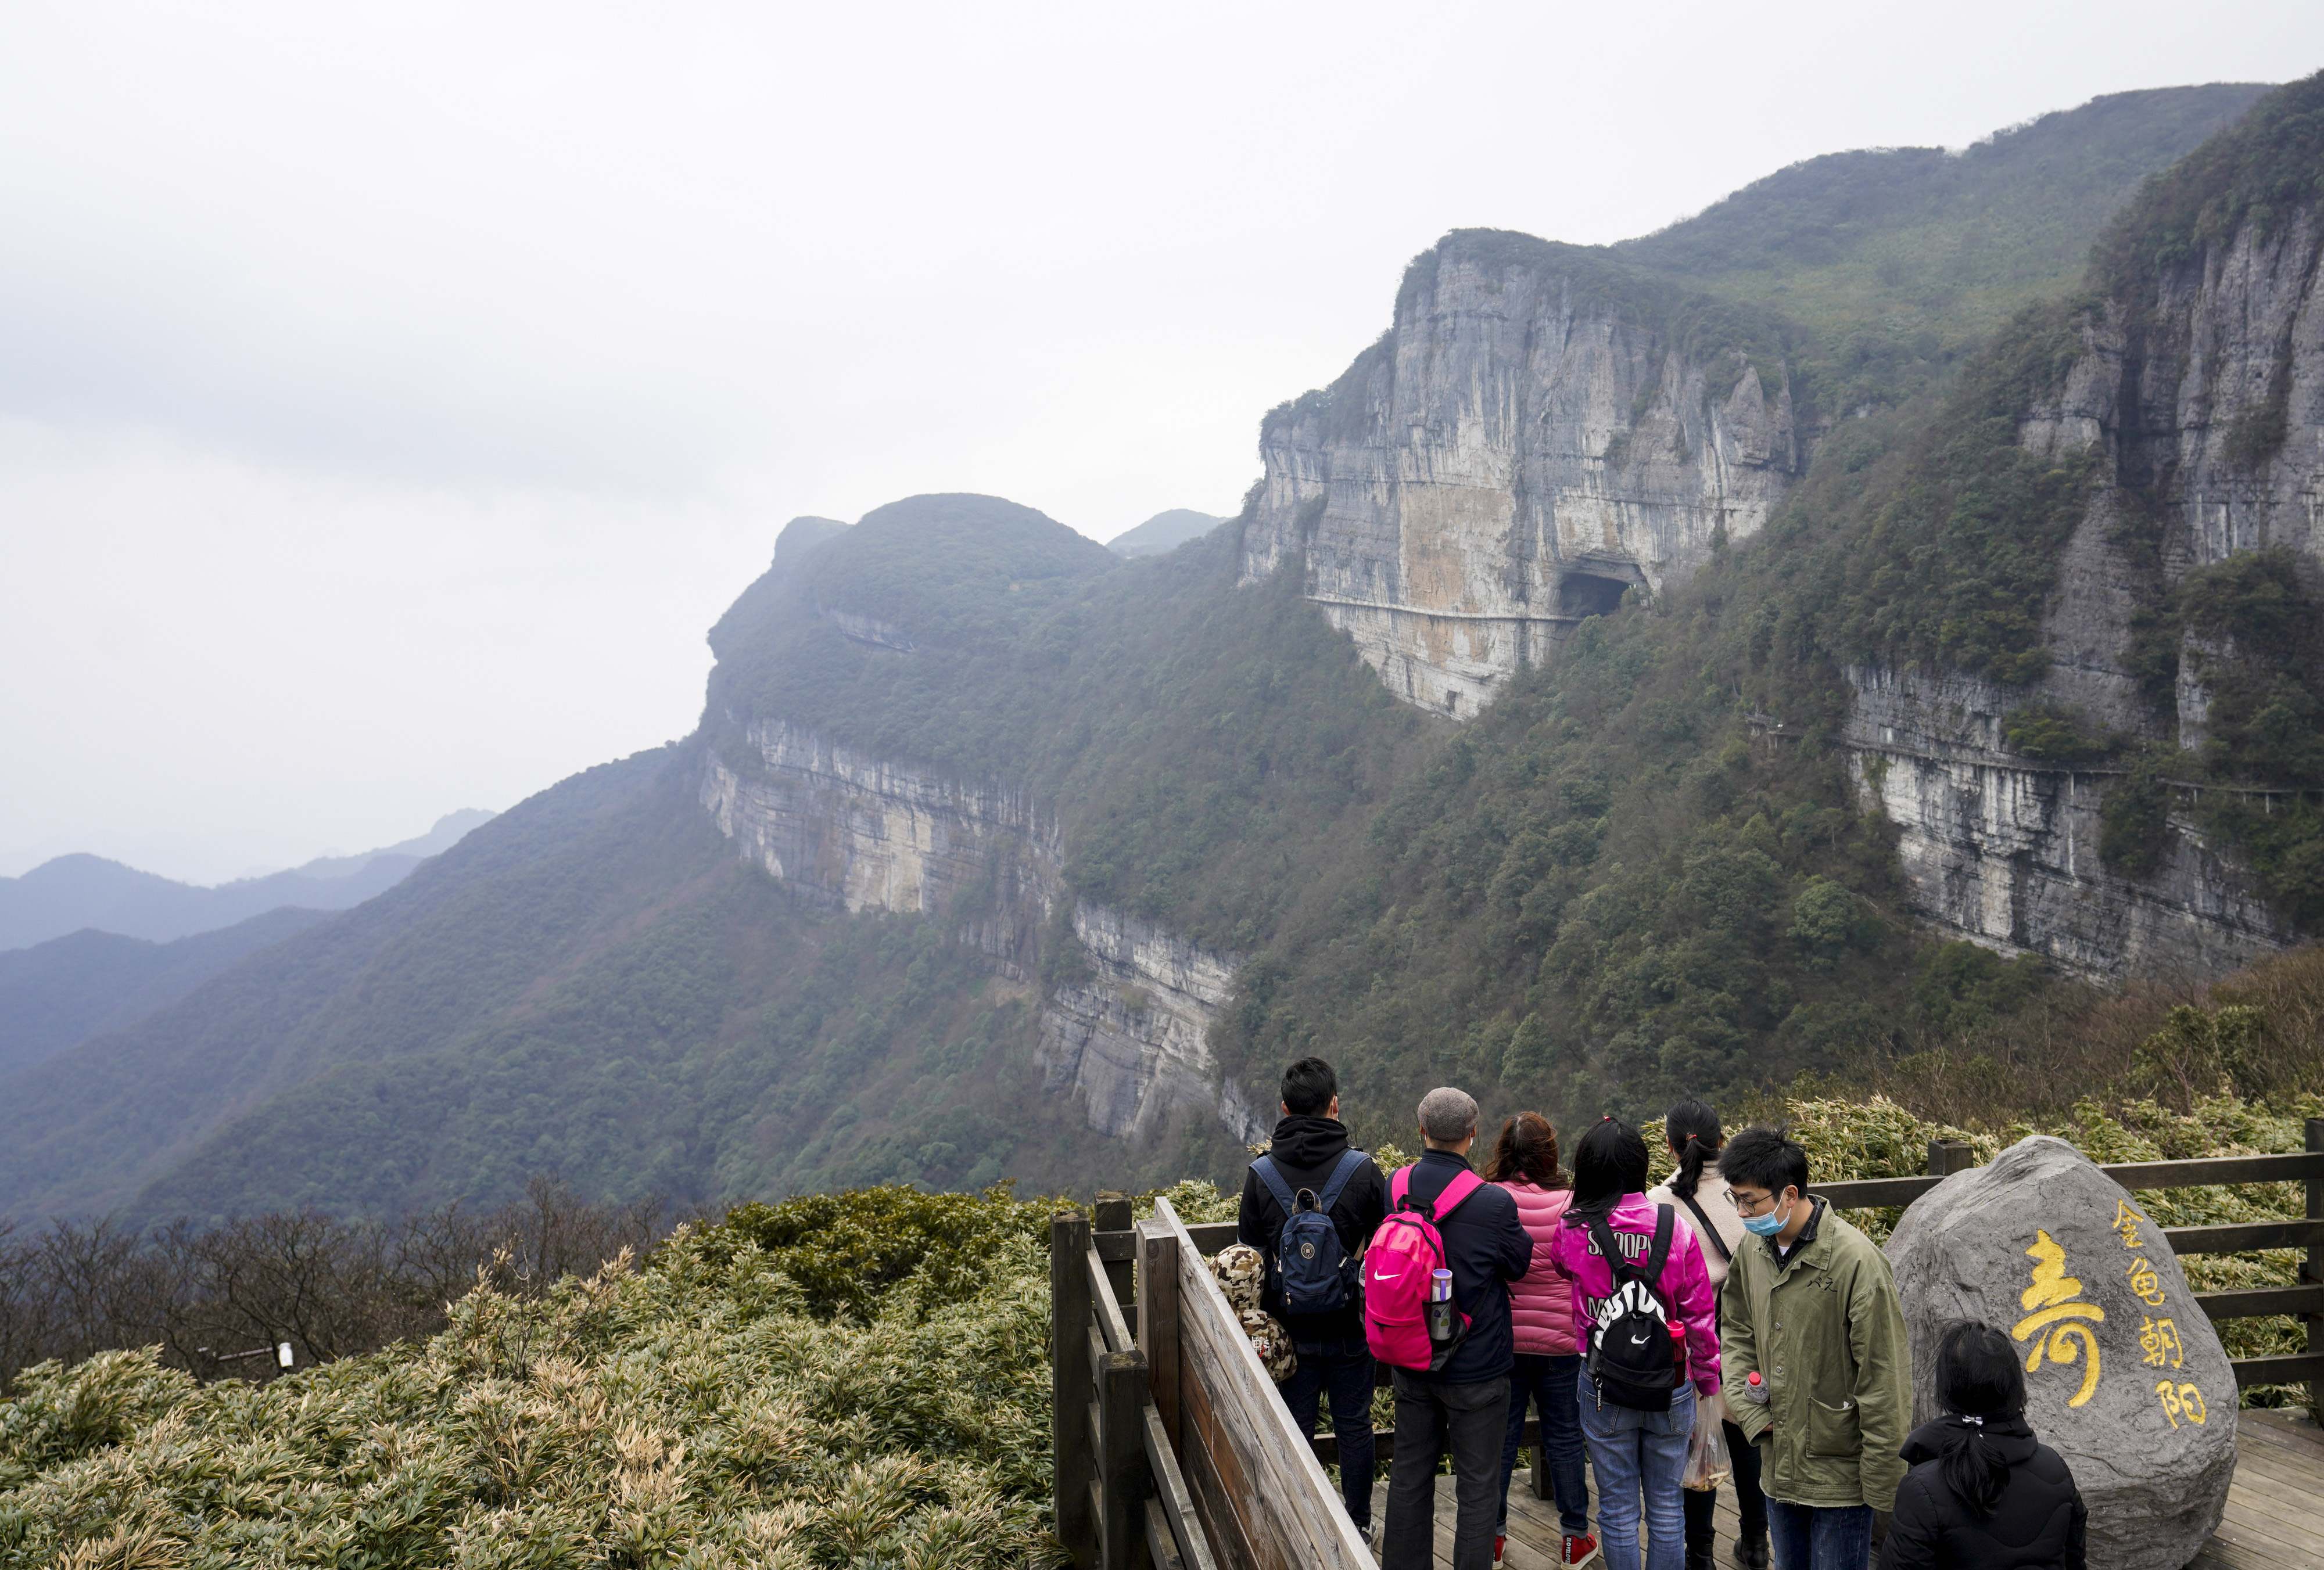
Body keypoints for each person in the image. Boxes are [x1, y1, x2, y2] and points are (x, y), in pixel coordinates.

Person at [1718, 1126, 1911, 1570]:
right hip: (1777, 1458)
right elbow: (1736, 1331)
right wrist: (1751, 1414)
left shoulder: (1857, 1262)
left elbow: (1885, 1378)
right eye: (1737, 1199)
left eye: (1751, 1200)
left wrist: (1885, 1489)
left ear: (1789, 1193)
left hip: (1840, 1473)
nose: (1744, 1212)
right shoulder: (1754, 1248)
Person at [1548, 1117, 1720, 1570]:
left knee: (1618, 1507)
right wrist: (1709, 1382)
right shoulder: (1676, 1228)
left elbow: (1563, 1266)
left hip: (1604, 1380)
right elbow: (1700, 1314)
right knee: (1667, 1506)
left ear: (1589, 1168)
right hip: (1671, 1380)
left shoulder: (1573, 1228)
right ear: (1641, 1167)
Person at [1237, 1056, 1390, 1542]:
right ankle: (1359, 1524)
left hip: (1288, 1333)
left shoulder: (1260, 1174)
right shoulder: (1363, 1170)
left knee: (1296, 1431)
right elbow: (1386, 1247)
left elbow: (1249, 1259)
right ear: (1335, 1105)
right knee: (1354, 1427)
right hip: (1350, 1329)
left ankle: (1300, 1527)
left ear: (1283, 1108)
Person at [1383, 1087, 1536, 1570]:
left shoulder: (1395, 1185)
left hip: (1412, 1359)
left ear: (1421, 1129)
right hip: (1477, 1366)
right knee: (1478, 1488)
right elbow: (1518, 1264)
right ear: (1473, 1134)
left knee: (1409, 1476)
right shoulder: (1493, 1202)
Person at [1646, 1100, 1767, 1570]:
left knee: (1699, 1447)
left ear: (1671, 1146)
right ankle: (1756, 1543)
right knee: (1749, 1439)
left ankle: (1700, 1553)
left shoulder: (1658, 1203)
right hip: (1748, 1337)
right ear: (1723, 1140)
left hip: (1691, 1344)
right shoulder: (1753, 1194)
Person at [1487, 1112, 1599, 1568]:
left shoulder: (1490, 1199)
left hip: (1504, 1342)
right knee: (1566, 1438)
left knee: (1503, 1440)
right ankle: (1575, 1537)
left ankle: (1492, 1538)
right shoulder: (1572, 1203)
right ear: (1549, 1151)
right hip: (1560, 1342)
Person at [1880, 1321, 2086, 1569]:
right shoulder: (2056, 1468)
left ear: (1947, 1390)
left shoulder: (1922, 1488)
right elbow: (2075, 1561)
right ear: (2013, 1387)